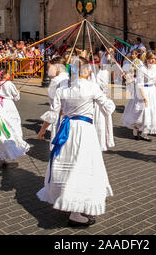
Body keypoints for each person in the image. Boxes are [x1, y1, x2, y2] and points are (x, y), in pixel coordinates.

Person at [36, 56, 115, 227]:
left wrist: (43, 130)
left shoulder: (62, 87)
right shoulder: (91, 87)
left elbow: (53, 112)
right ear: (85, 70)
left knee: (69, 164)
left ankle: (70, 203)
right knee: (82, 166)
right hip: (85, 132)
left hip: (67, 128)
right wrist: (105, 98)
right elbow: (108, 108)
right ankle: (75, 212)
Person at [122, 52, 156, 141]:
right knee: (140, 111)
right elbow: (139, 84)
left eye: (154, 58)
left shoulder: (155, 67)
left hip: (152, 92)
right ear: (147, 59)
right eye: (151, 59)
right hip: (142, 91)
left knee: (151, 112)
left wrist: (154, 92)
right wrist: (144, 97)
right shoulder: (141, 69)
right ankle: (135, 132)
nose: (153, 60)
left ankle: (144, 133)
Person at [40, 57, 70, 144]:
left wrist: (43, 129)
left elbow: (55, 110)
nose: (47, 71)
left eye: (49, 68)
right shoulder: (71, 78)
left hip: (61, 120)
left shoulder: (56, 81)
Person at [0, 70, 28, 149]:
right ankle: (15, 139)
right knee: (13, 121)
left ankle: (4, 138)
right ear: (6, 75)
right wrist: (18, 92)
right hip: (8, 104)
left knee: (3, 121)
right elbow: (16, 97)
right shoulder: (9, 83)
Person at [89, 55, 115, 152]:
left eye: (96, 62)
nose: (95, 64)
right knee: (98, 121)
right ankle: (95, 142)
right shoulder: (91, 74)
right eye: (94, 63)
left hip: (100, 100)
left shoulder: (101, 73)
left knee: (101, 121)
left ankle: (100, 143)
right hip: (95, 100)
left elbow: (106, 87)